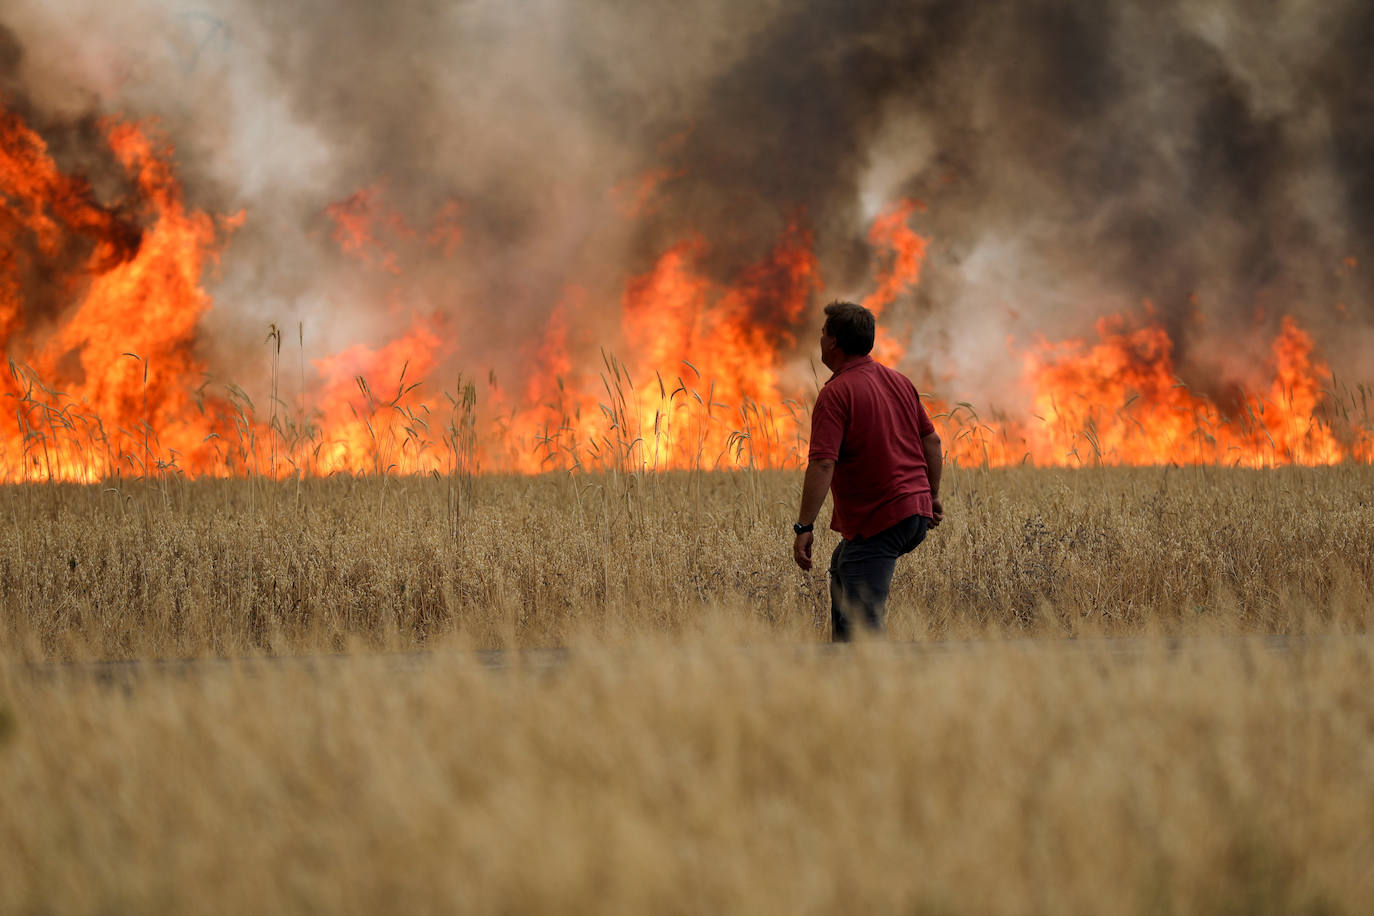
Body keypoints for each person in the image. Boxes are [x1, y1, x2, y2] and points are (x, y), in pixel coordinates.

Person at [792, 301, 943, 641]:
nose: (820, 339)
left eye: (823, 332)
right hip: (913, 513)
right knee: (845, 564)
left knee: (864, 623)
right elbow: (932, 442)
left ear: (833, 342)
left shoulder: (836, 393)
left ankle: (874, 682)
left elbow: (823, 463)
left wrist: (804, 526)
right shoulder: (898, 381)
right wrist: (931, 496)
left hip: (883, 517)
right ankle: (844, 668)